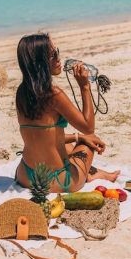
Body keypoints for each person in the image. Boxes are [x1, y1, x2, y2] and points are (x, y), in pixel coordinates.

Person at [14, 33, 119, 193]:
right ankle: (90, 175)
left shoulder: (22, 92)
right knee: (90, 142)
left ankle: (92, 173)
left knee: (72, 144)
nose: (58, 58)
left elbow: (44, 136)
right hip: (57, 180)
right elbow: (88, 127)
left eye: (57, 51)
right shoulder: (53, 94)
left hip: (25, 176)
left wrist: (78, 137)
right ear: (40, 62)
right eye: (53, 55)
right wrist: (84, 87)